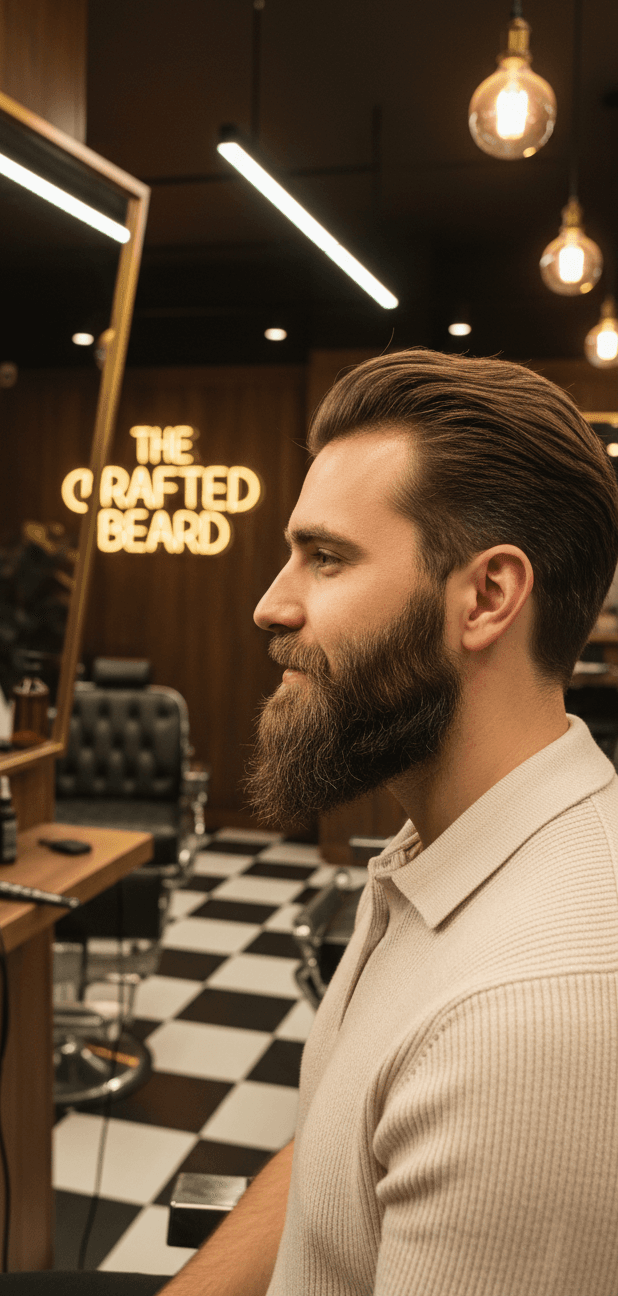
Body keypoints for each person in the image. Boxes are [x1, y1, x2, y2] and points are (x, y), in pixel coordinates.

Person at [158, 349, 618, 1296]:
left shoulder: (528, 1023)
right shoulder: (450, 841)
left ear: (487, 597)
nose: (269, 605)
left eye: (325, 558)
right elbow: (344, 1145)